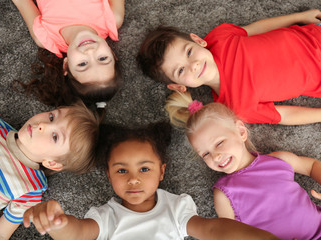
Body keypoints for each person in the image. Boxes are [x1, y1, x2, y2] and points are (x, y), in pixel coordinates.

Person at [23, 122, 280, 240]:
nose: (134, 179)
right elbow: (78, 233)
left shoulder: (176, 209)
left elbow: (213, 229)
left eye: (144, 169)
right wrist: (57, 222)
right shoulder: (107, 217)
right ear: (108, 175)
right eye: (121, 171)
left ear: (161, 172)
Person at [165, 91, 321, 239]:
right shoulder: (224, 194)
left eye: (219, 143)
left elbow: (311, 166)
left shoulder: (279, 160)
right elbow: (229, 235)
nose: (216, 156)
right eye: (205, 154)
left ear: (241, 132)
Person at [137, 9, 321, 125]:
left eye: (189, 52)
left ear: (198, 41)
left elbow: (256, 28)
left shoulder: (219, 38)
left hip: (313, 34)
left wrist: (298, 17)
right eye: (180, 70)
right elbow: (284, 115)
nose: (193, 65)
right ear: (178, 86)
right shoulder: (234, 106)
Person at [0, 101, 99, 239]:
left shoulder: (32, 188)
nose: (42, 125)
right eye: (51, 117)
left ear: (52, 163)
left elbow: (0, 234)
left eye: (55, 136)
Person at [12, 0, 125, 106]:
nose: (90, 51)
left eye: (83, 64)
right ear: (113, 54)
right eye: (102, 59)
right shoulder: (112, 19)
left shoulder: (45, 37)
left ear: (66, 65)